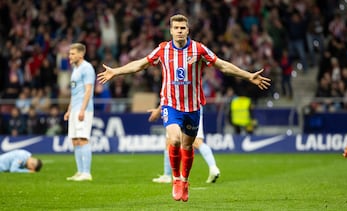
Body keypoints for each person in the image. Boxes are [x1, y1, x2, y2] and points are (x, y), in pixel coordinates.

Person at [97, 14, 271, 202]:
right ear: (171, 30)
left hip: (194, 107)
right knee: (174, 140)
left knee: (188, 145)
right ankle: (176, 179)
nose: (179, 31)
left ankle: (185, 181)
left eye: (183, 28)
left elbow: (222, 65)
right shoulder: (163, 50)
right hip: (171, 105)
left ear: (188, 30)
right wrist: (116, 71)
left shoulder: (198, 49)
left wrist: (248, 76)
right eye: (176, 28)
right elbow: (140, 64)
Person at [148, 105, 220, 184]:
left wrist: (158, 111)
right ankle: (213, 167)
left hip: (177, 107)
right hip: (195, 106)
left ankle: (169, 176)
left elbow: (167, 94)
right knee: (173, 141)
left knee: (179, 140)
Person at [63, 43, 95, 181]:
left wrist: (82, 109)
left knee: (83, 139)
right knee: (75, 140)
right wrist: (69, 110)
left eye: (72, 54)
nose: (70, 56)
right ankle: (80, 171)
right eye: (69, 53)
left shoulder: (87, 68)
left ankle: (86, 173)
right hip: (75, 109)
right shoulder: (75, 69)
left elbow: (88, 90)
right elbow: (74, 92)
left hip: (84, 109)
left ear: (81, 54)